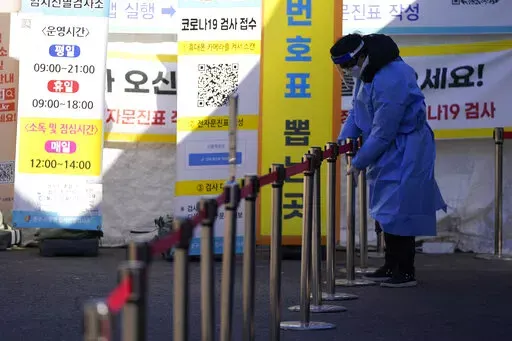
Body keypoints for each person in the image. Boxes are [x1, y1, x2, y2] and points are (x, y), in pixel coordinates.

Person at [330, 33, 447, 288]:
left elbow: (385, 130)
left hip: (407, 148)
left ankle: (405, 271)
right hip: (387, 149)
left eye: (349, 65)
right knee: (383, 208)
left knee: (400, 209)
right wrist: (342, 140)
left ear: (361, 56)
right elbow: (357, 111)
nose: (348, 71)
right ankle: (390, 263)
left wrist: (359, 162)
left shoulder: (392, 76)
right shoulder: (369, 72)